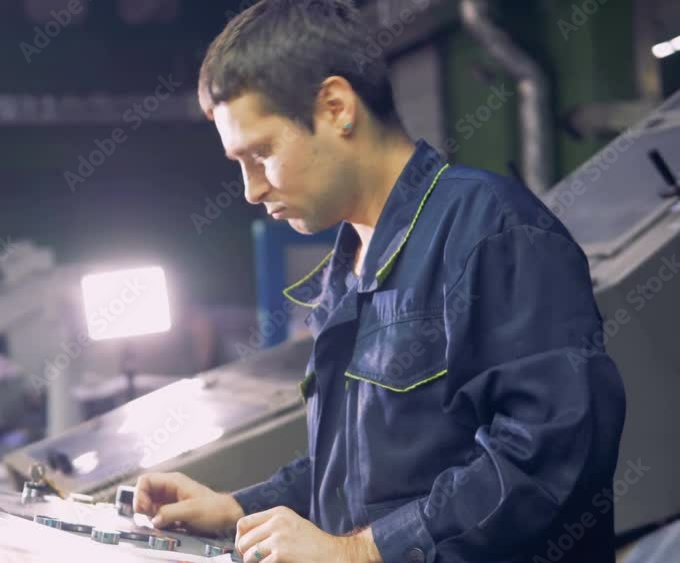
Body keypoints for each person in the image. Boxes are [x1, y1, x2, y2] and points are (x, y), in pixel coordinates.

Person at [132, 2, 626, 562]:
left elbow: (548, 454)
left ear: (337, 108)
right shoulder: (348, 269)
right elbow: (357, 475)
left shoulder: (492, 229)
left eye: (261, 153)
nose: (250, 190)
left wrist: (362, 553)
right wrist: (239, 508)